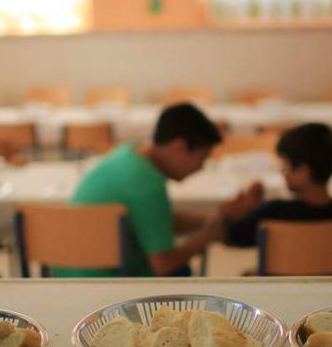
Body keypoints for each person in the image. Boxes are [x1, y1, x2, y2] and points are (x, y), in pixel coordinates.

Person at [59, 103, 229, 277]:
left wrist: (209, 219)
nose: (201, 167)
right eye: (202, 158)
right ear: (180, 147)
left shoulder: (128, 154)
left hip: (67, 273)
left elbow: (155, 219)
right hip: (105, 282)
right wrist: (208, 236)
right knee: (182, 273)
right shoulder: (146, 183)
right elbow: (163, 264)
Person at [224, 123, 332, 247]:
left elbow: (233, 236)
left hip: (283, 274)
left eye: (285, 166)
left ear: (303, 171)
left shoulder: (274, 213)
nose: (283, 173)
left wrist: (249, 207)